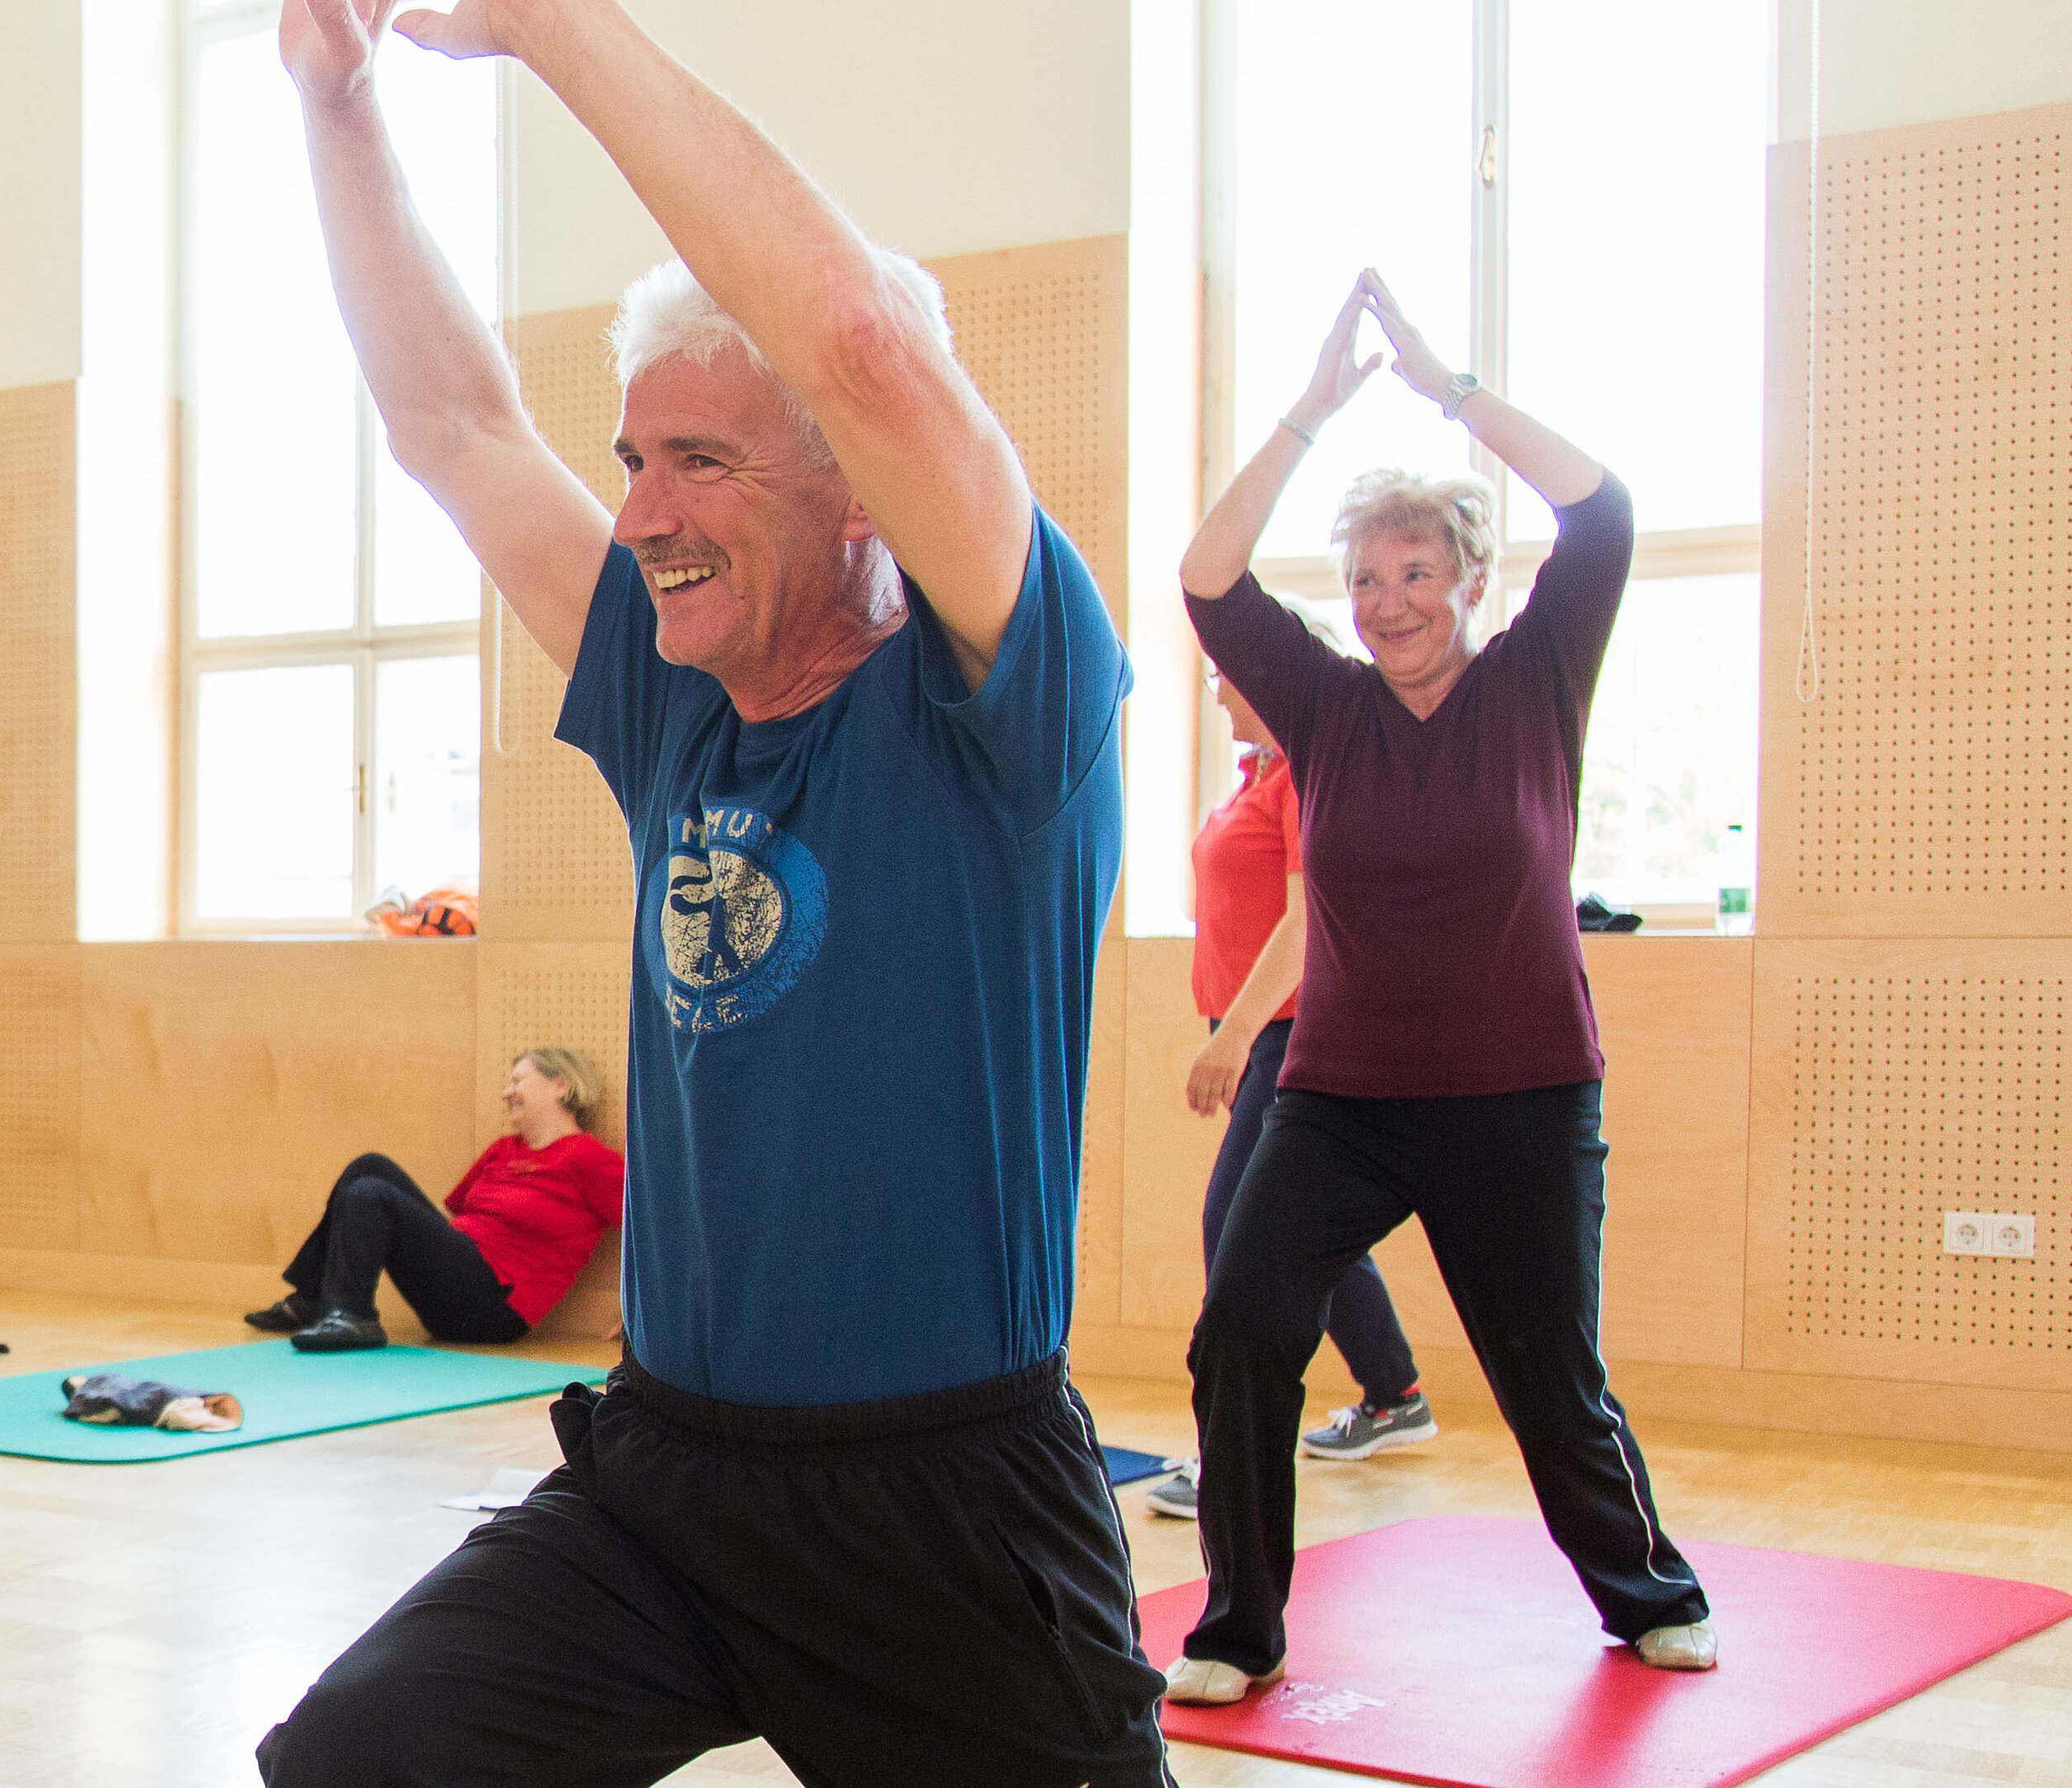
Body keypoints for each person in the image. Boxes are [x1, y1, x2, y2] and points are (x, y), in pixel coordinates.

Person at [251, 2, 1163, 1781]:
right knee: (357, 1759)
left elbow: (859, 343)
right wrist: (338, 102)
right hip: (668, 1489)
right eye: (633, 457)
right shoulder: (677, 702)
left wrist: (546, 30)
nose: (642, 509)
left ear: (852, 502)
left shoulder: (1006, 699)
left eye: (704, 462)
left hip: (943, 1512)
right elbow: (449, 422)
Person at [1164, 273, 1715, 1704]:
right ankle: (1241, 1625)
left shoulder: (1538, 679)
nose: (1389, 601)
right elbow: (1208, 578)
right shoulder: (1327, 709)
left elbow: (1604, 513)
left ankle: (1646, 1591)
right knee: (1242, 1327)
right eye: (1365, 579)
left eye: (1417, 573)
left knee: (1551, 1379)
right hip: (1342, 1099)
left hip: (1523, 1098)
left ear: (1470, 581)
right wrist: (1306, 411)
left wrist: (1444, 383)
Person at [1142, 667, 1426, 1522]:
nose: (1220, 694)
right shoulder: (1255, 778)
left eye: (1231, 680)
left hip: (1290, 1031)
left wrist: (1236, 1037)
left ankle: (1225, 1454)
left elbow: (1310, 922)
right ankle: (1394, 1394)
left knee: (1238, 1229)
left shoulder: (1308, 774)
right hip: (1251, 1027)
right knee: (1301, 1229)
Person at [246, 1048, 623, 1352]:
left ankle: (352, 1314)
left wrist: (647, 1312)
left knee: (370, 1193)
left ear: (560, 1085)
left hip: (495, 1307)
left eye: (517, 1080)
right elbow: (447, 1217)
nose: (507, 1092)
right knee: (369, 1167)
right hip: (456, 1281)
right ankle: (316, 1298)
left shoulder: (587, 1158)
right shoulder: (504, 1150)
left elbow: (654, 1230)